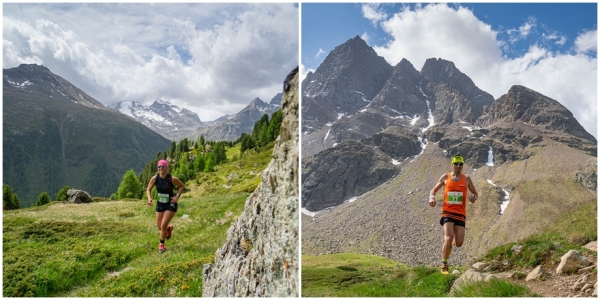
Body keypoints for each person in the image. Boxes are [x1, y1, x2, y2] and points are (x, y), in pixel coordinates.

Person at [428, 155, 478, 274]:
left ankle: (449, 245)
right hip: (447, 212)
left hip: (460, 213)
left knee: (459, 243)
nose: (458, 166)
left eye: (461, 164)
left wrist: (474, 197)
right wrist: (431, 198)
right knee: (449, 237)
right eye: (456, 164)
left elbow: (475, 192)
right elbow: (433, 190)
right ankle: (444, 265)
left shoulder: (467, 179)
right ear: (452, 165)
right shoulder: (446, 177)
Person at [146, 159, 184, 254]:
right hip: (160, 204)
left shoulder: (172, 178)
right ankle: (169, 229)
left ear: (167, 168)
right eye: (159, 166)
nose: (161, 168)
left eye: (163, 166)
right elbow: (148, 190)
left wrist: (177, 197)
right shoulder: (155, 179)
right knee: (160, 227)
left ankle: (161, 246)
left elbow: (182, 186)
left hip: (170, 204)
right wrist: (149, 199)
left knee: (163, 225)